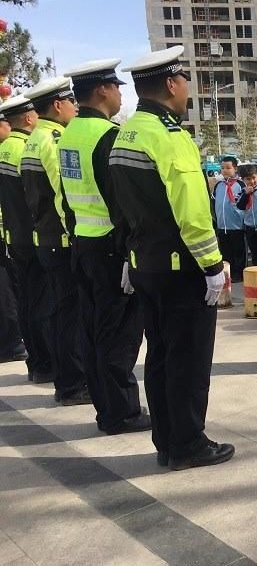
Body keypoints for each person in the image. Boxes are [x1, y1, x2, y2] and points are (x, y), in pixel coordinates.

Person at [109, 46, 234, 470]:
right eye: (184, 81)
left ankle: (165, 438)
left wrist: (130, 255)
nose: (187, 90)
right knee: (189, 358)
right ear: (170, 83)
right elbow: (193, 213)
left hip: (146, 266)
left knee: (160, 355)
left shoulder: (125, 134)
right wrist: (213, 266)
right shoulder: (170, 136)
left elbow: (121, 207)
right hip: (181, 270)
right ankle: (187, 443)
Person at [59, 58, 150, 433]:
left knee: (94, 330)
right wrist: (131, 252)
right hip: (111, 251)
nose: (119, 93)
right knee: (119, 335)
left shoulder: (68, 135)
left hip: (83, 244)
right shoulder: (106, 137)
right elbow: (122, 203)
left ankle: (105, 407)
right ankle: (121, 412)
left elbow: (65, 198)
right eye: (116, 87)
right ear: (101, 91)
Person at [21, 77, 90, 405]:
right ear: (58, 105)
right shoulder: (54, 140)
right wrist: (75, 234)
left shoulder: (33, 140)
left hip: (44, 238)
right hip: (61, 240)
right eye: (71, 102)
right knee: (71, 315)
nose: (75, 108)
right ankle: (73, 384)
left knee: (61, 312)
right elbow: (63, 194)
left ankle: (67, 380)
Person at [0, 96, 52, 383]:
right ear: (30, 118)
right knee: (44, 303)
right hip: (33, 237)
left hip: (13, 236)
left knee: (27, 303)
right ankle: (45, 361)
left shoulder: (4, 149)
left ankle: (37, 362)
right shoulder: (24, 148)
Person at [0, 111, 27, 365]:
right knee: (7, 290)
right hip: (8, 232)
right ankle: (10, 343)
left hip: (8, 231)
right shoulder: (14, 149)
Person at [212, 155, 246, 282]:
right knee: (226, 252)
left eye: (228, 167)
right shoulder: (219, 186)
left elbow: (245, 203)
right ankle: (228, 274)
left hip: (237, 225)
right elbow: (214, 203)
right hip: (222, 225)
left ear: (235, 169)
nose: (225, 170)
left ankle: (238, 274)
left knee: (238, 252)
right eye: (222, 168)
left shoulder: (240, 185)